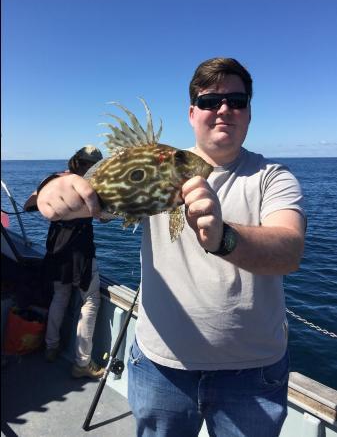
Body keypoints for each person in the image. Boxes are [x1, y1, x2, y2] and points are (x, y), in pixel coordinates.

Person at [34, 58, 306, 436]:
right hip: (161, 367)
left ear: (249, 112)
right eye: (211, 102)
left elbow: (289, 250)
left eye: (237, 100)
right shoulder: (160, 164)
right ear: (193, 113)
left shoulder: (273, 178)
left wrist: (223, 237)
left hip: (253, 375)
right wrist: (53, 188)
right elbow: (94, 194)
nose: (224, 109)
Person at [24, 145, 106, 379]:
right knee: (90, 301)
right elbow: (101, 215)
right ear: (91, 166)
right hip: (80, 251)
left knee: (60, 296)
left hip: (55, 248)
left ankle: (51, 347)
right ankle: (82, 362)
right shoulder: (87, 185)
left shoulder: (51, 179)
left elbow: (29, 206)